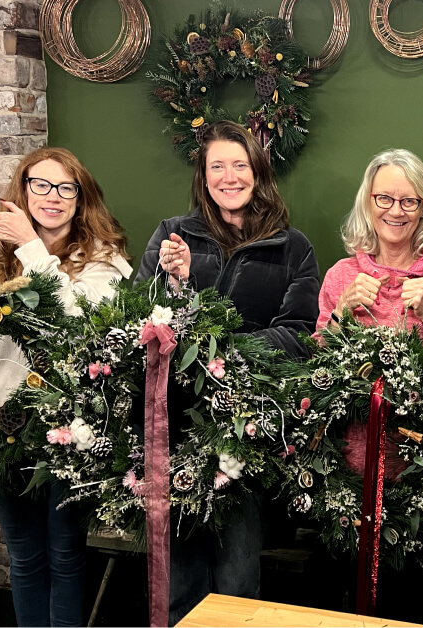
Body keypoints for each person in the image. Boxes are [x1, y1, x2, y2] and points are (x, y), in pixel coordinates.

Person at [135, 120, 320, 624]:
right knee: (179, 579)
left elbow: (300, 332)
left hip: (248, 431)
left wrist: (222, 356)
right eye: (218, 165)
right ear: (204, 176)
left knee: (238, 580)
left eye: (240, 164)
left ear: (258, 173)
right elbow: (138, 319)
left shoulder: (292, 247)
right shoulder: (172, 236)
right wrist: (172, 282)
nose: (229, 175)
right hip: (176, 427)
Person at [0, 147, 132, 627]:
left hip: (72, 433)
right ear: (23, 189)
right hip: (4, 430)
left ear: (81, 197)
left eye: (65, 187)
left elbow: (79, 323)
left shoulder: (104, 262)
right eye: (41, 185)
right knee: (25, 559)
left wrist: (32, 246)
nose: (53, 197)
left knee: (66, 556)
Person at [316, 148, 423, 357]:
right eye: (384, 198)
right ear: (368, 202)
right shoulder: (340, 275)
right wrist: (341, 312)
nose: (396, 211)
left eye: (409, 201)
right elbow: (319, 365)